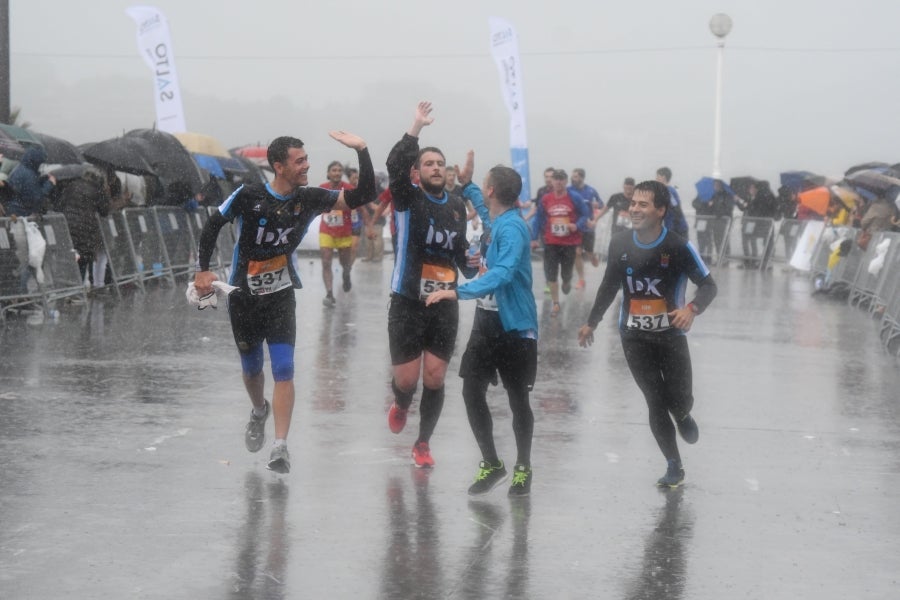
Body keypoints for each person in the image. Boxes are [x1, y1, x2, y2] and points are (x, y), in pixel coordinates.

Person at [193, 131, 374, 474]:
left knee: (284, 369)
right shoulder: (249, 195)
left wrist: (361, 150)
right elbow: (213, 224)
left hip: (279, 295)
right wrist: (202, 270)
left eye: (307, 159)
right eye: (300, 161)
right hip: (243, 297)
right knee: (251, 370)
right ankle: (259, 410)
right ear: (279, 166)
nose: (307, 166)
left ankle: (280, 447)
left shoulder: (309, 198)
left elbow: (363, 195)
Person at [577, 180, 717, 488]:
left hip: (671, 337)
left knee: (679, 399)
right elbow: (609, 285)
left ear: (661, 210)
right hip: (634, 337)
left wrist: (691, 309)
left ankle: (682, 415)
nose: (634, 209)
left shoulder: (678, 247)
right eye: (633, 204)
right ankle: (674, 465)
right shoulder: (620, 243)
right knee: (655, 400)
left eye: (643, 204)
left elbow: (709, 285)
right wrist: (592, 322)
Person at [426, 161, 538, 497]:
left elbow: (503, 272)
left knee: (518, 400)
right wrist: (469, 184)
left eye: (483, 185)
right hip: (485, 323)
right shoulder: (498, 222)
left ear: (493, 191)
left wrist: (458, 291)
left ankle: (523, 468)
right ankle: (492, 463)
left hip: (515, 326)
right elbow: (487, 220)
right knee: (471, 391)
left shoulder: (514, 229)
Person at [384, 101, 478, 468]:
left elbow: (459, 256)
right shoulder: (408, 199)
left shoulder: (456, 206)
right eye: (428, 164)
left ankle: (423, 443)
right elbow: (393, 165)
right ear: (416, 172)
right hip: (407, 301)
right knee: (407, 380)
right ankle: (402, 402)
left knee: (436, 377)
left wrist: (469, 263)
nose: (436, 168)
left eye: (440, 164)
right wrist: (416, 128)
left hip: (444, 303)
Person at [530, 169, 591, 315]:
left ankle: (566, 281)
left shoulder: (574, 197)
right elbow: (538, 219)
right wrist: (533, 238)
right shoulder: (546, 199)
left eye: (561, 179)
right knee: (551, 273)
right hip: (551, 241)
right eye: (556, 179)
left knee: (566, 274)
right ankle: (556, 303)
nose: (558, 182)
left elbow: (585, 214)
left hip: (569, 243)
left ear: (565, 181)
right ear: (552, 182)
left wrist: (576, 225)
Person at [53, 168, 111, 287]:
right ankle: (78, 289)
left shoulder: (72, 185)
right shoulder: (97, 190)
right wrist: (105, 193)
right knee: (83, 258)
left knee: (68, 256)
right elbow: (105, 211)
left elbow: (59, 205)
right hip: (85, 229)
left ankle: (63, 288)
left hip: (67, 226)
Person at [318, 160, 356, 306]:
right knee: (326, 261)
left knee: (344, 263)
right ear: (328, 173)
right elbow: (312, 206)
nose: (337, 173)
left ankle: (346, 275)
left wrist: (368, 224)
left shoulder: (348, 188)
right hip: (326, 231)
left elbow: (360, 206)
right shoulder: (322, 188)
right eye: (334, 170)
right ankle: (329, 293)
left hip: (344, 232)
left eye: (339, 170)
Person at [569, 168, 604, 287]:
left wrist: (596, 205)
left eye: (575, 177)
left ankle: (593, 256)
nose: (572, 179)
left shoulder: (591, 191)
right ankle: (581, 279)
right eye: (572, 176)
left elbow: (602, 204)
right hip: (575, 227)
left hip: (588, 227)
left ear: (582, 178)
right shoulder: (569, 190)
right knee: (577, 252)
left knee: (588, 252)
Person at [735, 180, 779, 268]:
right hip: (764, 223)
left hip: (759, 223)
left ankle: (758, 261)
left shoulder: (761, 197)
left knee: (761, 241)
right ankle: (762, 261)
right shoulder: (769, 196)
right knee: (765, 242)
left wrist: (746, 205)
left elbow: (753, 208)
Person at [6, 146, 55, 217]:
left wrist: (42, 179)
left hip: (13, 210)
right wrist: (49, 183)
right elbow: (35, 198)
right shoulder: (29, 175)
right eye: (41, 162)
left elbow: (25, 190)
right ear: (37, 161)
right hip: (22, 214)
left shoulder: (20, 168)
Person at [655, 167, 689, 238]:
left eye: (657, 176)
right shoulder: (663, 191)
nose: (656, 179)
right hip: (671, 228)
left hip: (678, 229)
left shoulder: (669, 191)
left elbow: (676, 208)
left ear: (663, 177)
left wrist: (675, 227)